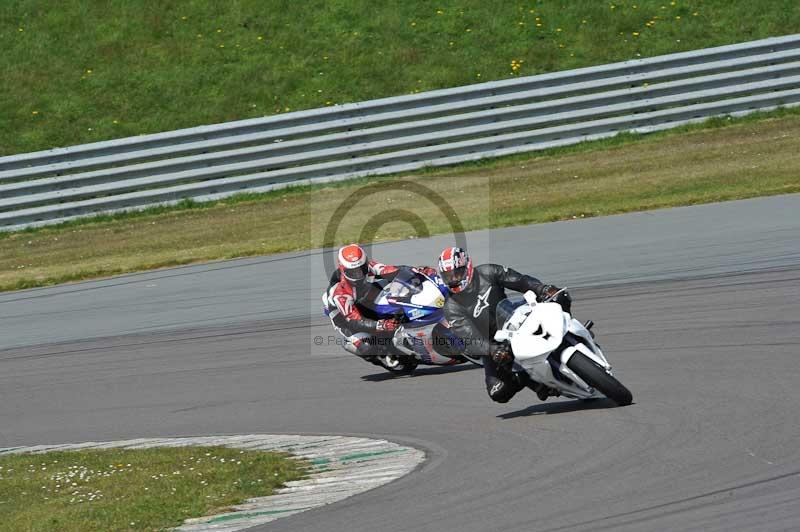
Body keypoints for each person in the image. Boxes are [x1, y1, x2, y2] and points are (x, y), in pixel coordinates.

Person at [437, 247, 572, 403]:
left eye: (457, 273)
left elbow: (521, 281)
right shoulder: (451, 306)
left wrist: (542, 289)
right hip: (494, 343)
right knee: (497, 392)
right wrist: (491, 349)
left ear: (467, 266)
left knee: (560, 296)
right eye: (448, 276)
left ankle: (571, 332)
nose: (453, 279)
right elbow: (469, 338)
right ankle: (530, 378)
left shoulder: (488, 272)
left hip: (514, 314)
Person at [323, 244, 439, 366]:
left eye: (361, 269)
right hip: (345, 318)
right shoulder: (340, 293)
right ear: (342, 269)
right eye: (352, 272)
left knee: (396, 290)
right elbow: (354, 321)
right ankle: (382, 357)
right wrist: (381, 325)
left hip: (364, 297)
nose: (359, 275)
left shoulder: (370, 266)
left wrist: (419, 272)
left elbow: (395, 270)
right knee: (366, 348)